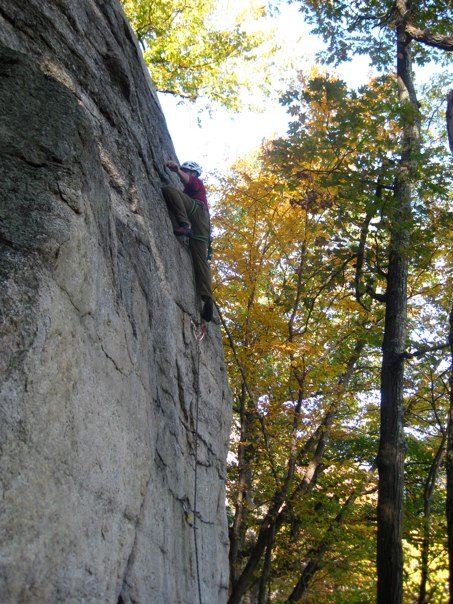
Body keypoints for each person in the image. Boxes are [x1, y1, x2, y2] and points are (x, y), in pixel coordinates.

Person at [162, 160, 214, 322]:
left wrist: (177, 170)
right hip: (203, 226)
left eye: (187, 171)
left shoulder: (196, 182)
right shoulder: (191, 190)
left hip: (197, 212)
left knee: (169, 190)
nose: (184, 173)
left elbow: (187, 180)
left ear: (193, 172)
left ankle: (184, 224)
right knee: (200, 260)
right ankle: (207, 298)